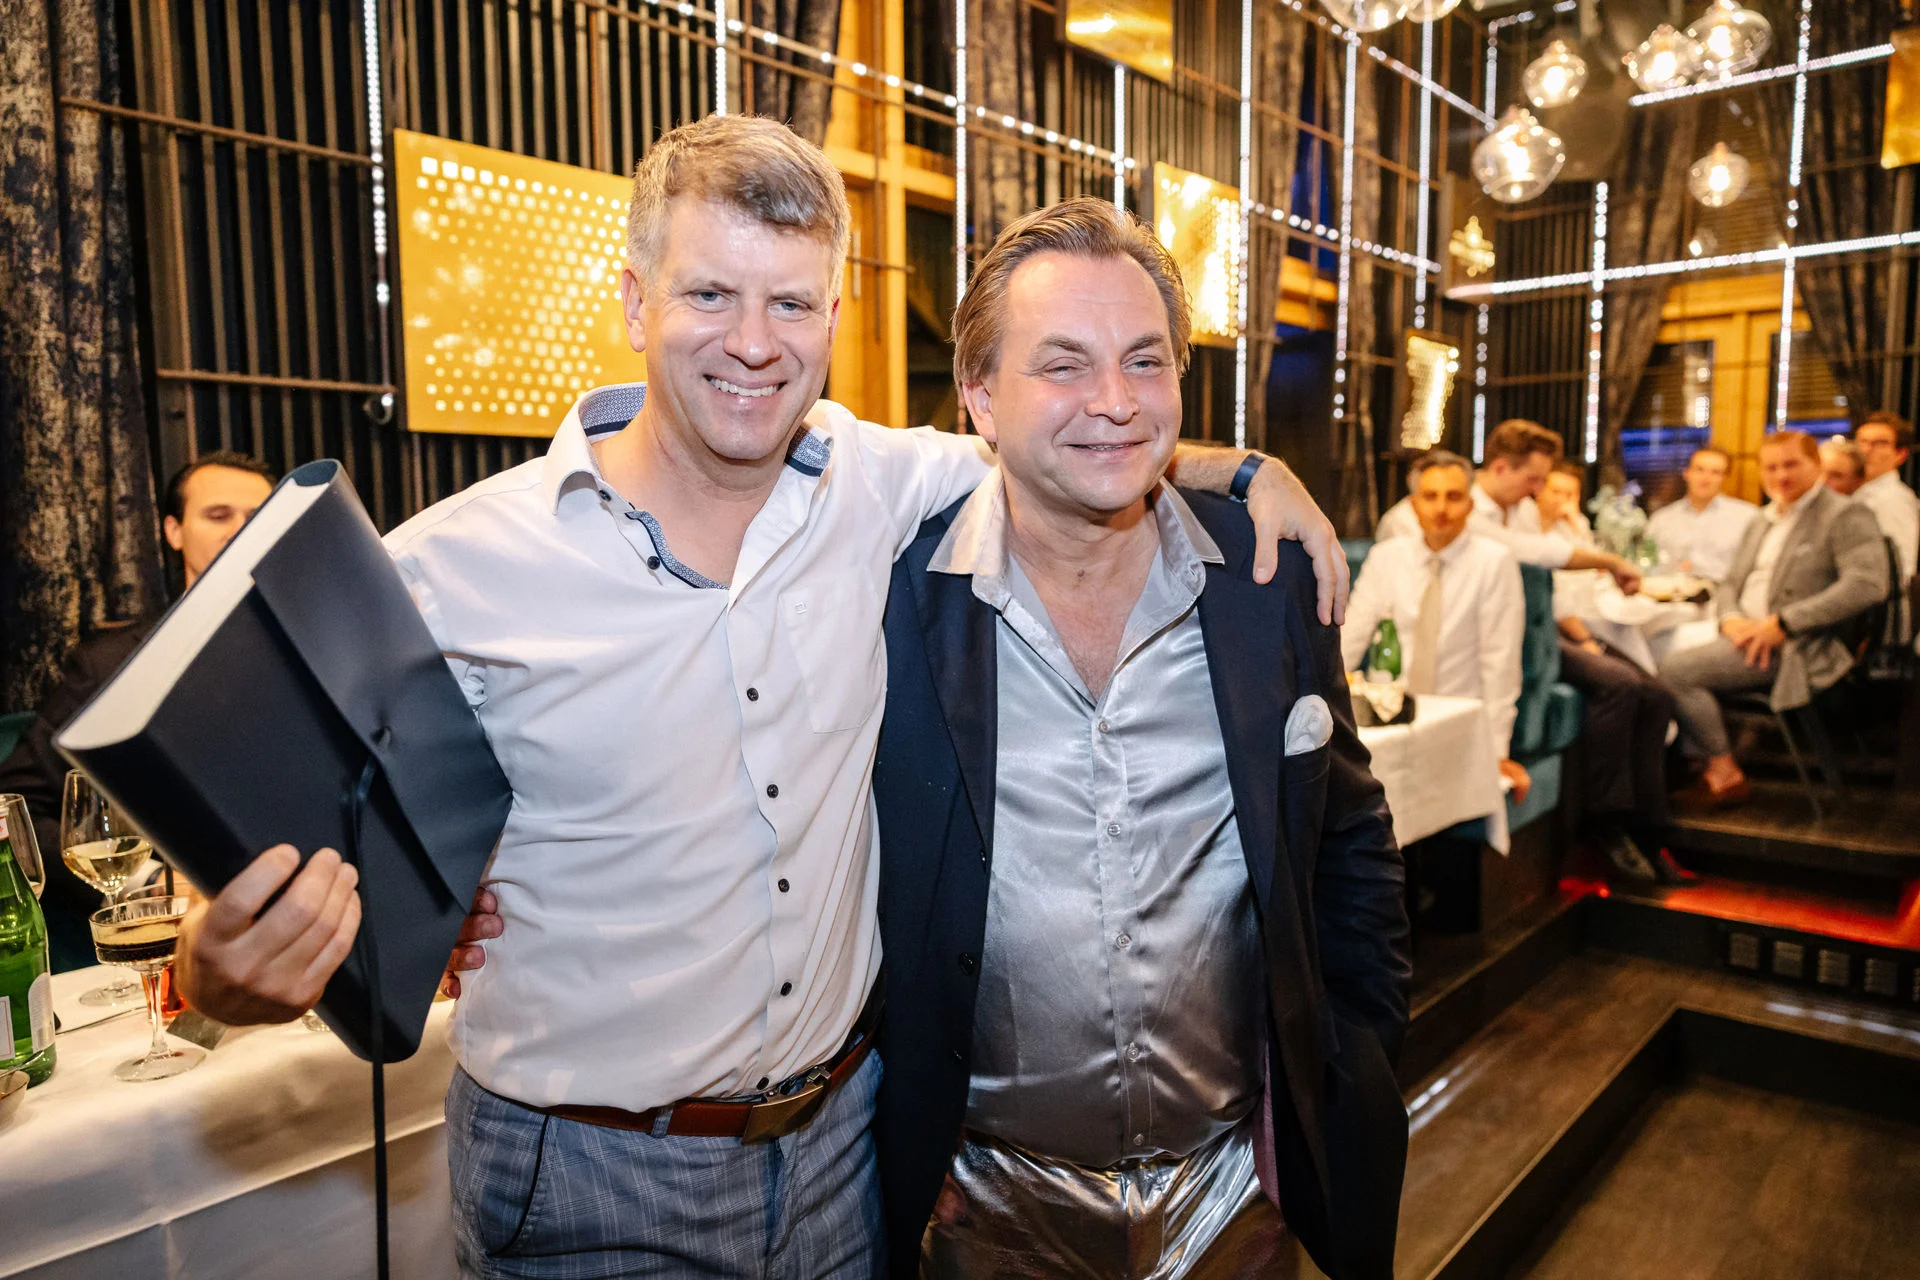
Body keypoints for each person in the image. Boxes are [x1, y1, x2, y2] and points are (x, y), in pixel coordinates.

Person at [169, 117, 1347, 1279]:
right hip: (587, 1175)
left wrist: (1248, 472)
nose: (752, 343)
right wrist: (221, 971)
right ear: (635, 301)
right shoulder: (450, 568)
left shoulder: (881, 486)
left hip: (843, 1152)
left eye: (790, 303)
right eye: (709, 295)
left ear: (832, 317)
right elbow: (285, 866)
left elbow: (1074, 435)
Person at [869, 198, 1407, 1280]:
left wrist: (1348, 1064)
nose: (1114, 402)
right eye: (1062, 364)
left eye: (1145, 361)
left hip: (1238, 1195)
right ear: (980, 395)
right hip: (982, 1208)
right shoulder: (887, 595)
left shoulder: (1267, 578)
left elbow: (1349, 842)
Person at [0, 451, 275, 970]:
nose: (241, 530)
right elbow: (16, 808)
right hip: (169, 945)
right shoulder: (110, 664)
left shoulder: (315, 652)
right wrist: (145, 883)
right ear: (173, 530)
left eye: (259, 518)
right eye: (218, 515)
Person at [1659, 431, 1888, 807]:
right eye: (1771, 467)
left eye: (1791, 464)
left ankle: (1722, 770)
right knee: (1655, 651)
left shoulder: (1845, 513)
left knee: (1674, 671)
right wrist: (1730, 618)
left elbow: (1867, 585)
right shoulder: (1764, 518)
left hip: (1801, 646)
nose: (1781, 475)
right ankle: (1684, 764)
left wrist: (1784, 623)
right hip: (1744, 633)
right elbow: (1731, 582)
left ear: (1816, 464)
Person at [1347, 450, 1530, 804]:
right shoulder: (1386, 558)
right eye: (1430, 496)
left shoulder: (1494, 563)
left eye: (1454, 496)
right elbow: (1349, 642)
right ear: (1414, 505)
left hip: (1457, 724)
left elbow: (1500, 665)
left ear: (1470, 505)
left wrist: (1497, 750)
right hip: (1390, 720)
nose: (1441, 508)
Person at [1537, 465, 1688, 883]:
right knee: (1620, 684)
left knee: (1659, 696)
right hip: (1548, 632)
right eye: (1552, 490)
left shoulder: (1572, 529)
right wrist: (1587, 641)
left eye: (1569, 493)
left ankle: (1651, 825)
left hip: (1581, 624)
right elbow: (1555, 602)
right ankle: (1606, 820)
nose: (1560, 501)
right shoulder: (1525, 529)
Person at [1375, 419, 1642, 594]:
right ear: (1501, 468)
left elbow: (1539, 569)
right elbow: (1530, 550)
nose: (1539, 490)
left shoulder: (1524, 509)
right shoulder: (1453, 510)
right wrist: (1610, 561)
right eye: (1532, 479)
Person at [1643, 446, 1758, 581]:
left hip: (1720, 591)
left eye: (1715, 472)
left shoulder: (1747, 517)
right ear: (1686, 473)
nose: (1706, 478)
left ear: (1725, 478)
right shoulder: (1661, 519)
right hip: (1667, 590)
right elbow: (1647, 564)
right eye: (1699, 469)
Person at [1852, 410, 1917, 587]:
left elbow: (1902, 568)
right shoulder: (1858, 493)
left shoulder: (1893, 499)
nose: (1866, 450)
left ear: (1900, 454)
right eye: (1862, 442)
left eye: (1880, 443)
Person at [1536, 460, 1592, 543]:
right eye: (1556, 492)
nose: (1561, 499)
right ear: (1539, 490)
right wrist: (1549, 521)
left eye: (1569, 495)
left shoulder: (1580, 521)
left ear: (1578, 497)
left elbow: (1590, 550)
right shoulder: (1526, 512)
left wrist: (1574, 524)